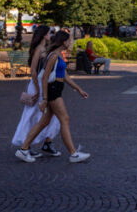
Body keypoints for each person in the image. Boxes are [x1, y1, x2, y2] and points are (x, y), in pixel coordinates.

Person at [15, 30, 90, 164]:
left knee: (44, 122)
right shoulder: (54, 56)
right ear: (63, 41)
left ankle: (23, 149)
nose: (70, 43)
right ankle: (73, 153)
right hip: (53, 90)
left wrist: (78, 89)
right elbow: (44, 77)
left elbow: (64, 75)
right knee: (64, 119)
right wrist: (44, 98)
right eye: (69, 40)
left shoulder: (58, 55)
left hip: (56, 89)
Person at [11, 25, 62, 158]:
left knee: (49, 114)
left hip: (42, 83)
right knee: (32, 115)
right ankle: (26, 145)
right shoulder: (39, 49)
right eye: (49, 33)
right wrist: (38, 88)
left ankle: (46, 141)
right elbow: (33, 70)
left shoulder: (44, 48)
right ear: (44, 35)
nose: (50, 35)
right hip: (37, 84)